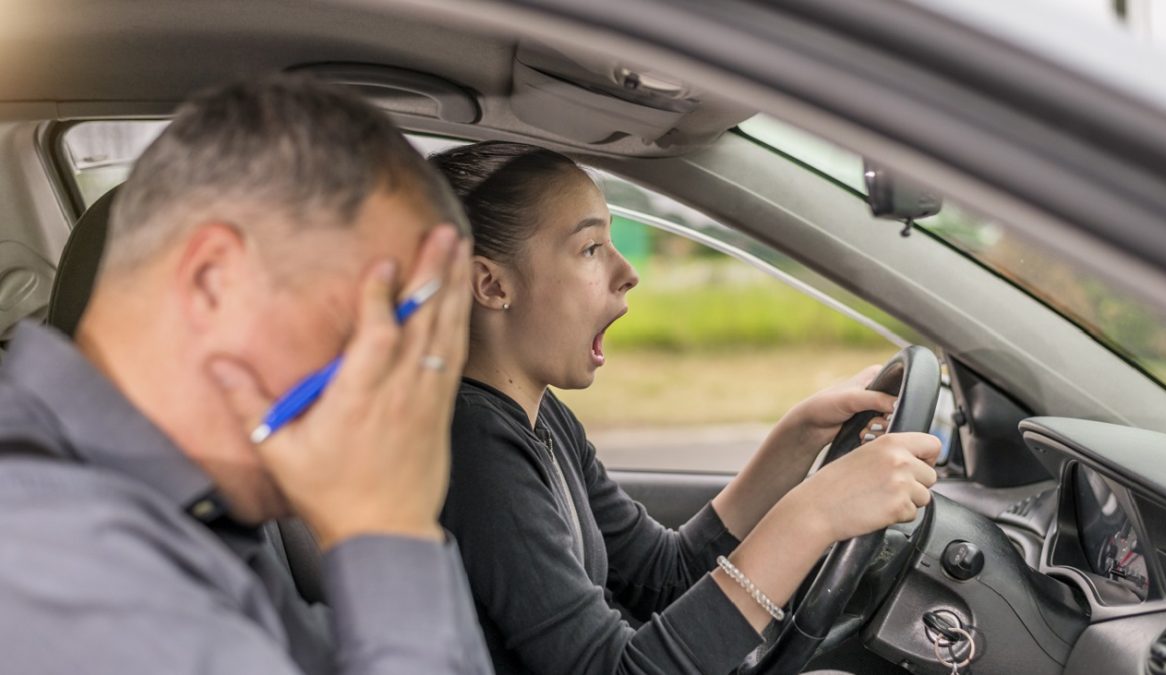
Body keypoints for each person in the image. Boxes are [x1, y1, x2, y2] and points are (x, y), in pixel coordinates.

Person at [0, 75, 492, 674]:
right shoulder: (47, 548)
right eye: (378, 331)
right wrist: (386, 529)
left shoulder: (196, 516)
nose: (398, 390)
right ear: (213, 281)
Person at [434, 141, 941, 675]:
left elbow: (663, 575)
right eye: (590, 249)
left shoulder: (540, 418)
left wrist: (802, 433)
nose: (627, 270)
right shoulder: (473, 445)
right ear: (492, 284)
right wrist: (814, 516)